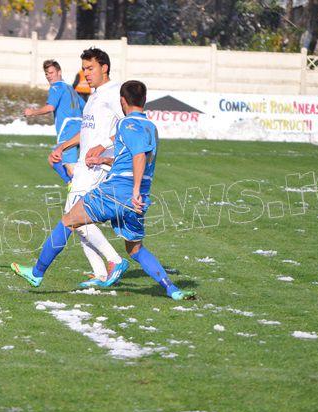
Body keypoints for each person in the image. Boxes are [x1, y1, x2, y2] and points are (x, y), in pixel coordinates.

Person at [11, 80, 196, 300]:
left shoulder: (126, 124)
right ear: (144, 100)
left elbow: (138, 156)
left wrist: (135, 190)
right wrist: (103, 159)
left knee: (68, 220)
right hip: (137, 201)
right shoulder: (151, 128)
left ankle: (36, 273)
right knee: (135, 249)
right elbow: (131, 158)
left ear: (122, 101)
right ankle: (171, 289)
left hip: (117, 192)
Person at [15, 47, 128, 288]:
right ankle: (101, 273)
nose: (86, 73)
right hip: (84, 166)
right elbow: (86, 132)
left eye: (90, 68)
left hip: (97, 167)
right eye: (84, 69)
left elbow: (128, 126)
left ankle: (114, 261)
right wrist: (64, 145)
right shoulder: (94, 96)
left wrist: (105, 146)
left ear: (104, 68)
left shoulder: (114, 93)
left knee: (72, 218)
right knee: (75, 221)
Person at [24, 59, 83, 186]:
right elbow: (85, 107)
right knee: (53, 159)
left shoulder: (56, 87)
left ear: (59, 72)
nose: (49, 76)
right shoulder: (71, 89)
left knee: (70, 167)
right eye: (46, 74)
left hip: (67, 131)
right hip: (80, 131)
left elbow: (50, 107)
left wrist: (32, 112)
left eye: (51, 73)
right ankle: (71, 184)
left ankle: (79, 189)